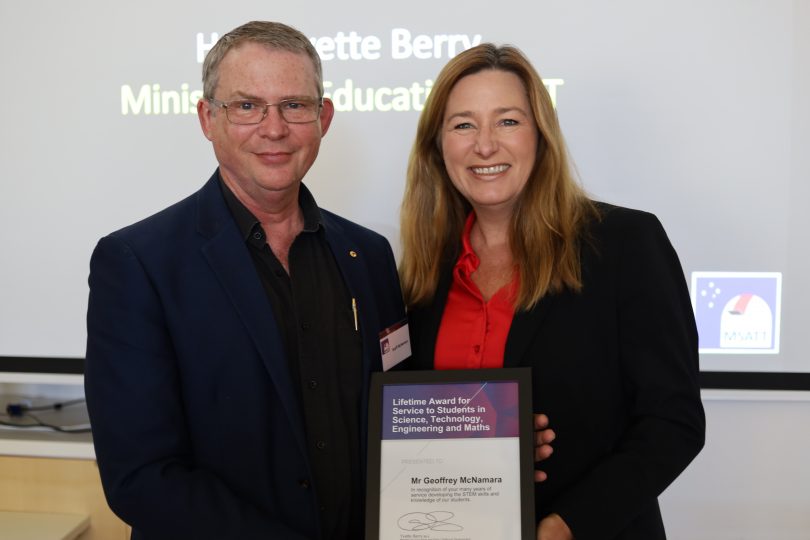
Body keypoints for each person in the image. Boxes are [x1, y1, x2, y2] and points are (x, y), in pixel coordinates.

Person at [84, 21, 407, 539]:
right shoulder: (138, 264)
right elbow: (141, 477)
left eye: (295, 105)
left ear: (323, 118)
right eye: (247, 106)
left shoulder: (368, 256)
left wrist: (490, 436)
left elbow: (400, 416)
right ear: (207, 118)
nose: (274, 129)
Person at [399, 43, 706, 540]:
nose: (484, 145)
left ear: (541, 135)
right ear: (437, 145)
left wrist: (563, 527)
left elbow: (674, 423)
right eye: (463, 125)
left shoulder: (624, 244)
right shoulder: (421, 276)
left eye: (508, 121)